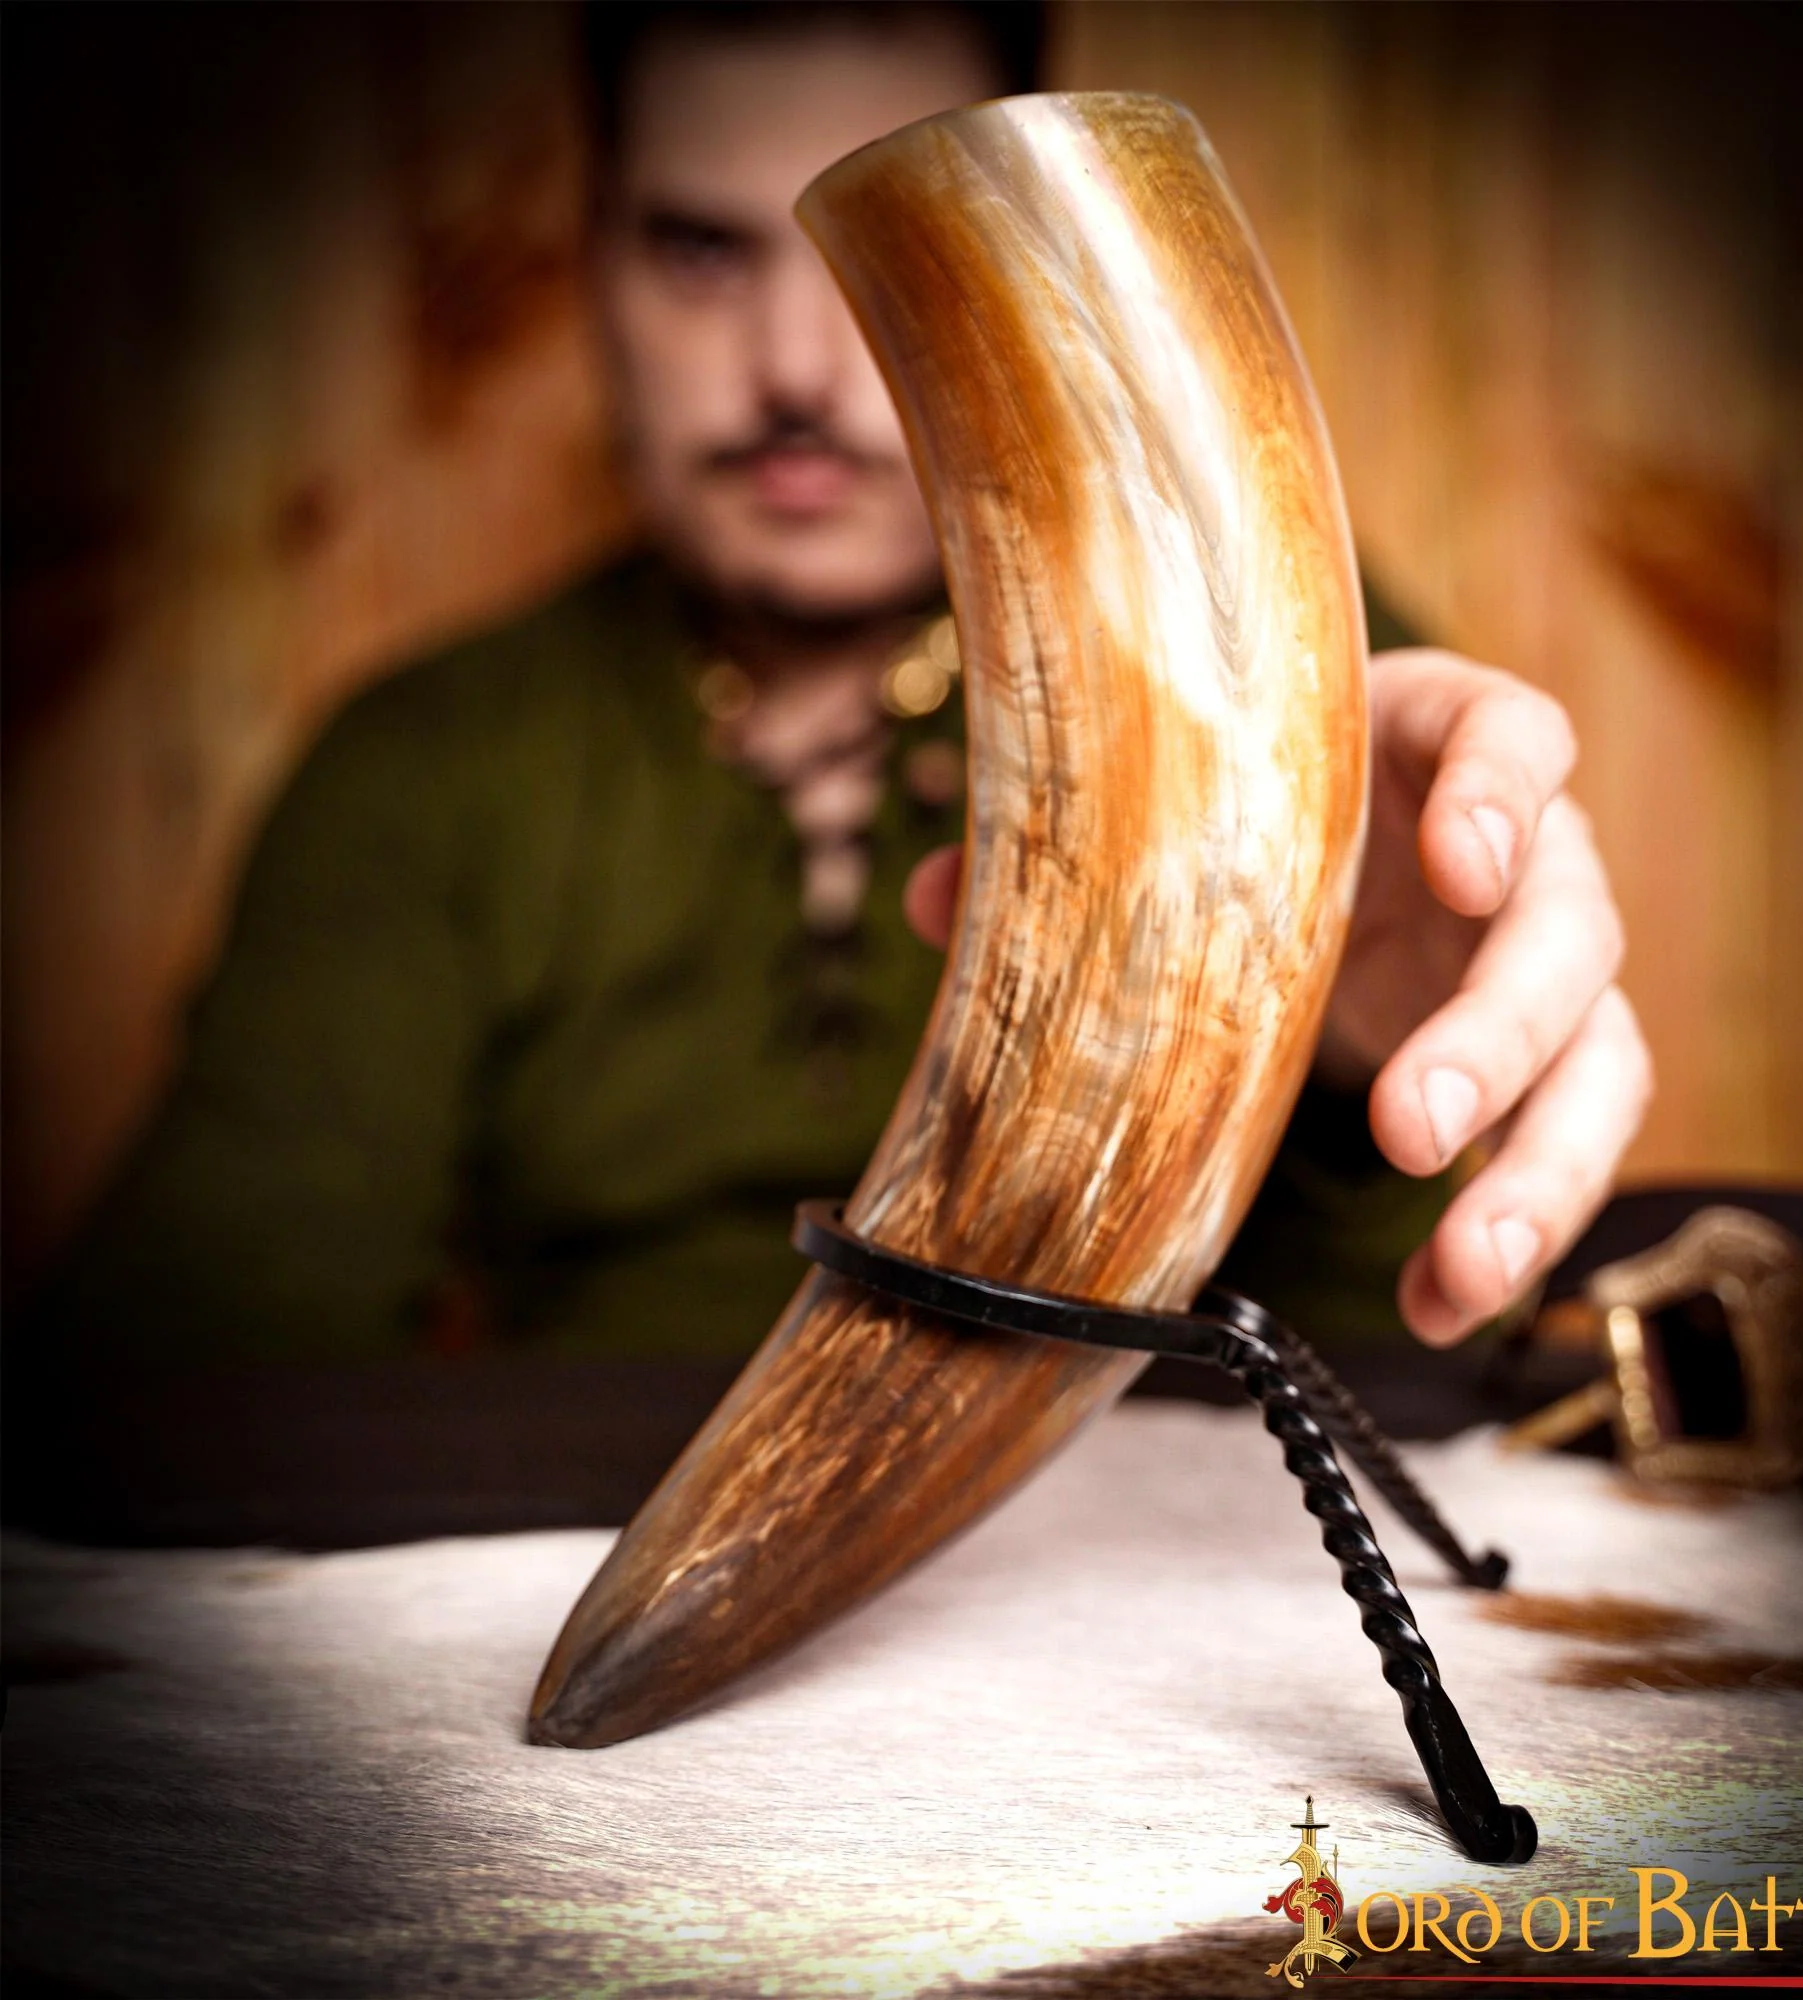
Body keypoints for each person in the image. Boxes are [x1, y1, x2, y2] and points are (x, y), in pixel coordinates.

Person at [21, 2, 1649, 1400]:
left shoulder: (1278, 681)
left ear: (1035, 268)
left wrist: (1356, 1086)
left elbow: (1408, 1392)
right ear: (588, 273)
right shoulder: (429, 763)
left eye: (902, 253)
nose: (799, 366)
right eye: (702, 252)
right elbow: (160, 1415)